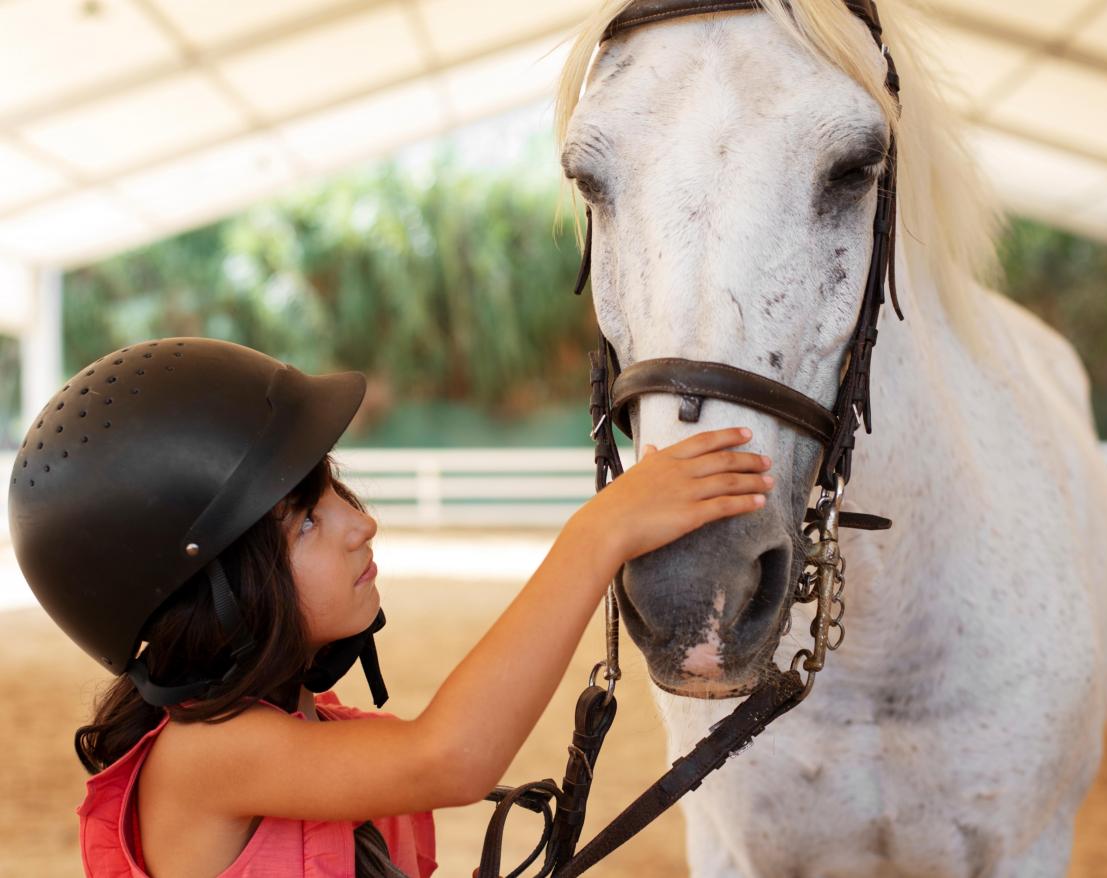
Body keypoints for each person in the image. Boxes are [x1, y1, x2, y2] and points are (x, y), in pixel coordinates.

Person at [7, 337, 775, 878]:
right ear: (208, 591)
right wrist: (597, 534)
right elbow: (449, 759)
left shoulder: (309, 732)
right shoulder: (206, 756)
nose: (359, 522)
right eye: (306, 519)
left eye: (334, 489)